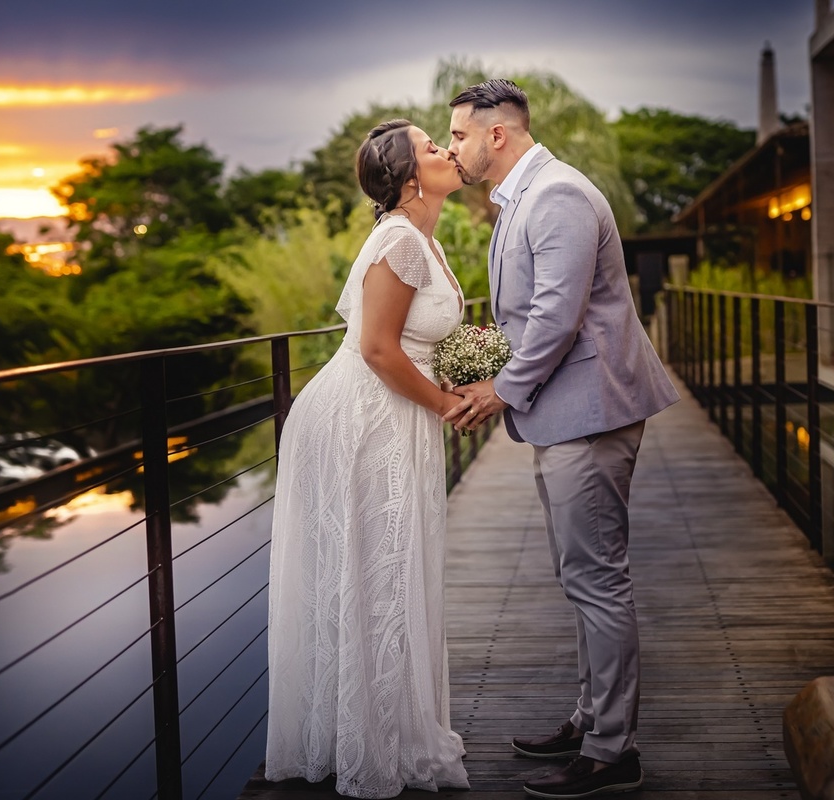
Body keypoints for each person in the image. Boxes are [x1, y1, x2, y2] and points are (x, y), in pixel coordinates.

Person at [443, 79, 679, 798]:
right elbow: (524, 317)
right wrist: (481, 357)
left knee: (598, 580)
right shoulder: (526, 196)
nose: (450, 148)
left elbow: (556, 317)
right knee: (583, 578)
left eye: (456, 135)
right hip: (571, 411)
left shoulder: (557, 196)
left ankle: (613, 752)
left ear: (496, 135)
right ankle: (590, 717)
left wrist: (498, 389)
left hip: (592, 411)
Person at [265, 119, 470, 798]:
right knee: (374, 571)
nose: (446, 150)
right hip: (362, 421)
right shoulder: (399, 240)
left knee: (387, 569)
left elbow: (409, 344)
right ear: (412, 176)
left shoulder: (423, 240)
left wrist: (460, 376)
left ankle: (385, 730)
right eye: (432, 146)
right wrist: (447, 405)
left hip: (392, 412)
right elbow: (379, 349)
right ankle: (364, 744)